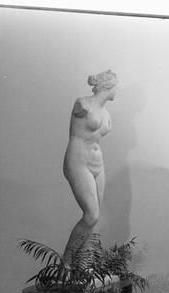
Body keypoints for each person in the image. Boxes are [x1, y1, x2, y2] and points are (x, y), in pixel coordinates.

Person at [62, 70, 118, 264]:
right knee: (91, 215)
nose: (117, 90)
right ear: (106, 87)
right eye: (115, 86)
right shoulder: (82, 104)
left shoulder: (106, 113)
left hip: (97, 162)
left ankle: (84, 265)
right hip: (78, 160)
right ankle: (66, 262)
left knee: (95, 218)